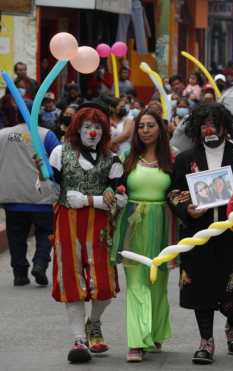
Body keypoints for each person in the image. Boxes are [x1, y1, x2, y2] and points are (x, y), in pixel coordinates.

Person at [168, 103, 233, 364]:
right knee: (200, 288)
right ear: (197, 129)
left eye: (214, 124)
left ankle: (232, 324)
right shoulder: (185, 159)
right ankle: (206, 340)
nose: (209, 129)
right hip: (198, 235)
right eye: (204, 125)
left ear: (225, 126)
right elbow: (173, 192)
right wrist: (187, 209)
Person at [42, 103, 126, 363]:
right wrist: (44, 182)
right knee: (71, 280)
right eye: (87, 127)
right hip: (67, 223)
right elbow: (51, 192)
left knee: (104, 284)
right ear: (78, 129)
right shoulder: (59, 153)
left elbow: (121, 198)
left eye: (98, 127)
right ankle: (78, 339)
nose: (92, 132)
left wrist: (94, 201)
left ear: (104, 131)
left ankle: (95, 322)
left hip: (100, 226)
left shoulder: (112, 160)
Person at [111, 110, 177, 362]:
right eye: (141, 126)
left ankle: (156, 332)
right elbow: (112, 185)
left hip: (163, 224)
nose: (146, 130)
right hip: (133, 223)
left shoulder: (171, 158)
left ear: (160, 129)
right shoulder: (127, 157)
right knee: (137, 280)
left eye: (150, 125)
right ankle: (136, 341)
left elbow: (180, 192)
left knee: (157, 282)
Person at [0, 105, 59, 286]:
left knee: (16, 237)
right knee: (45, 233)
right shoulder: (46, 135)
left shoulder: (2, 135)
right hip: (42, 198)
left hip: (13, 197)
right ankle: (40, 263)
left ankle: (20, 273)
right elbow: (59, 159)